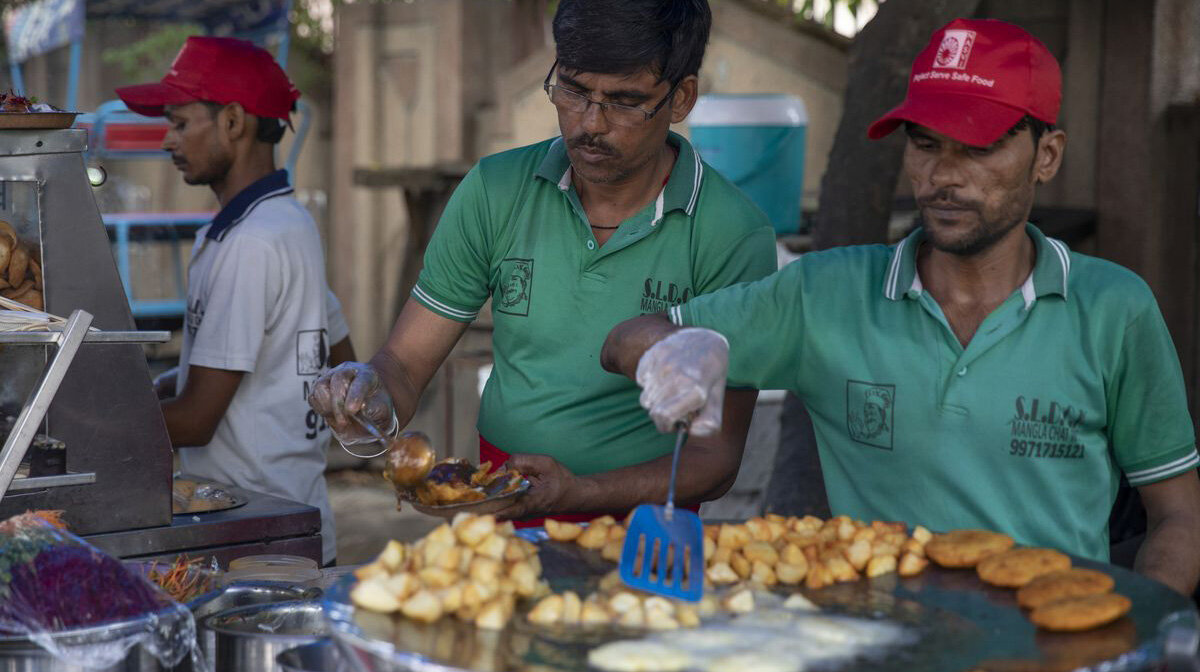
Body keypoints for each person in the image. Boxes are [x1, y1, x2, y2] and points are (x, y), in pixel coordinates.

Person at [600, 18, 1200, 595]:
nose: (944, 175)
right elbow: (624, 339)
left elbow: (1177, 515)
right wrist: (673, 353)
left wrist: (1145, 624)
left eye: (979, 147)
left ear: (1047, 155)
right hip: (879, 644)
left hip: (1055, 647)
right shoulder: (825, 294)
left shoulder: (1113, 309)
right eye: (925, 143)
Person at [307, 0, 776, 524]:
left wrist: (580, 492)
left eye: (624, 101)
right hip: (501, 509)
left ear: (682, 96)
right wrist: (369, 399)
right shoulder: (494, 191)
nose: (590, 124)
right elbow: (404, 364)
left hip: (645, 535)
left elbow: (714, 460)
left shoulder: (732, 233)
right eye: (573, 91)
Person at [117, 36, 354, 565]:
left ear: (232, 121)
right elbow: (339, 351)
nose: (166, 142)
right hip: (293, 516)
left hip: (256, 537)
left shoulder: (251, 242)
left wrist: (91, 424)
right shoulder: (285, 223)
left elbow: (199, 419)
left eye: (179, 123)